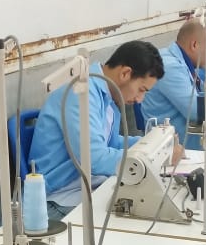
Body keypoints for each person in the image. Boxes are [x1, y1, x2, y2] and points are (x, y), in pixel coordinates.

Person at [31, 40, 177, 220]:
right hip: (59, 199)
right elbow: (95, 158)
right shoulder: (81, 93)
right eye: (141, 90)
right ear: (125, 73)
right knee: (142, 221)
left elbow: (112, 142)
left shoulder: (107, 94)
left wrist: (155, 145)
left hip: (89, 187)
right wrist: (149, 158)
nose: (140, 99)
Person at [142, 20, 206, 148]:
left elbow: (200, 84)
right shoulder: (170, 67)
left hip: (188, 140)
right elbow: (197, 111)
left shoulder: (183, 61)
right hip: (175, 148)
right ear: (194, 45)